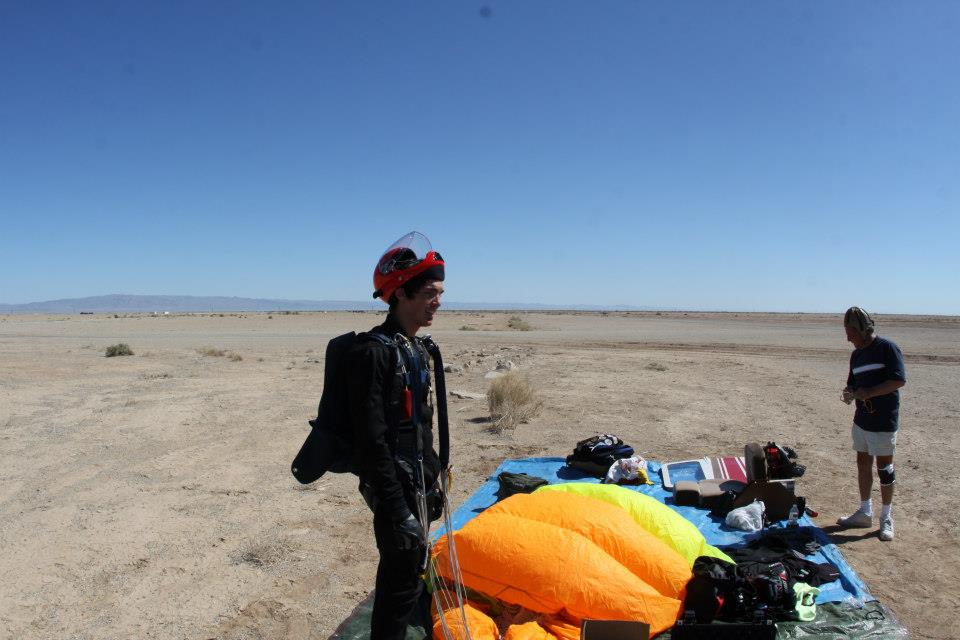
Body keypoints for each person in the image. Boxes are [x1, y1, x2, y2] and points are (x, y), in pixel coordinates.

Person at [349, 231, 446, 639]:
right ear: (400, 294)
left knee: (412, 576)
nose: (437, 301)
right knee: (397, 584)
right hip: (394, 491)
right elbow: (371, 443)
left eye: (440, 292)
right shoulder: (375, 353)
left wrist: (435, 479)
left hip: (418, 483)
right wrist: (398, 510)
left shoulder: (415, 349)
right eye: (428, 292)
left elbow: (419, 427)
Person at [837, 306, 906, 541]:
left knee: (885, 469)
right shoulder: (856, 355)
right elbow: (853, 384)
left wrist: (870, 392)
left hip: (884, 420)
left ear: (864, 330)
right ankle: (864, 511)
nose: (847, 338)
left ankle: (886, 516)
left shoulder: (887, 348)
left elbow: (898, 380)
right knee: (862, 463)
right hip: (862, 420)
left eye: (851, 333)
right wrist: (850, 393)